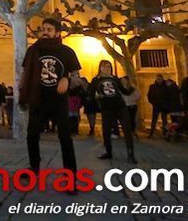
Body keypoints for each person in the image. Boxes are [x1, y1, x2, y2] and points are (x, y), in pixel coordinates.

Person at [19, 18, 80, 181]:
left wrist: (67, 80)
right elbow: (26, 75)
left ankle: (70, 174)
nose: (45, 31)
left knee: (65, 137)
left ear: (57, 33)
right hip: (38, 100)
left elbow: (76, 77)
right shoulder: (33, 51)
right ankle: (34, 167)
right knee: (32, 135)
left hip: (59, 101)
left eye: (49, 29)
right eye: (43, 28)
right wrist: (23, 95)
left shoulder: (66, 52)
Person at [89, 61, 137, 163]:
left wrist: (132, 87)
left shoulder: (115, 78)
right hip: (107, 109)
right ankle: (108, 152)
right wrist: (96, 97)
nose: (108, 68)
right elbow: (90, 94)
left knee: (127, 130)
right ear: (100, 68)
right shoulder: (96, 80)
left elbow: (125, 91)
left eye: (109, 67)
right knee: (106, 132)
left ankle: (130, 154)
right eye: (105, 66)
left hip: (120, 107)